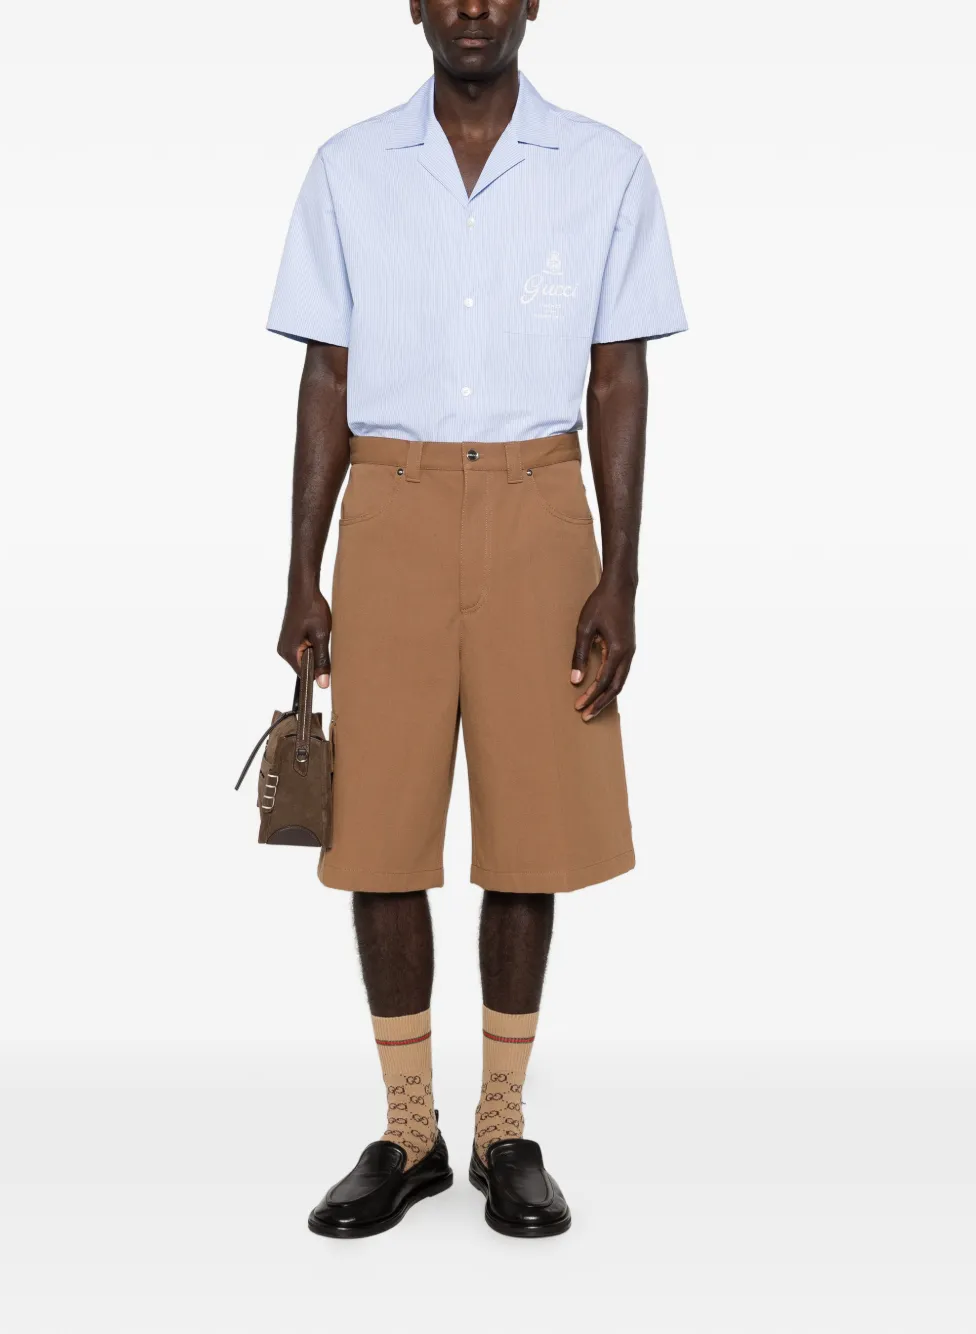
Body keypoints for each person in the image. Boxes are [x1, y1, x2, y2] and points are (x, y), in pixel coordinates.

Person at [266, 0, 686, 1240]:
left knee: (530, 826)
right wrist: (300, 570)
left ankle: (502, 1123)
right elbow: (327, 373)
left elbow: (618, 373)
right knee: (380, 828)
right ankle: (411, 1129)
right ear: (412, 2)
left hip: (539, 508)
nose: (471, 8)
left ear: (532, 2)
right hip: (388, 509)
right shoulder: (348, 168)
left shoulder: (606, 167)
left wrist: (621, 574)